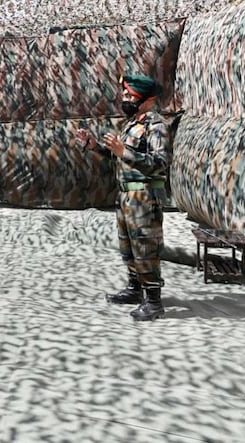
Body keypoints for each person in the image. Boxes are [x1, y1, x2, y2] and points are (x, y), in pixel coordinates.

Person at [75, 73, 170, 322]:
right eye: (124, 94)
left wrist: (124, 150)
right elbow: (120, 157)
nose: (124, 98)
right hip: (127, 196)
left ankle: (154, 301)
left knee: (145, 248)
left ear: (145, 98)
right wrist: (95, 146)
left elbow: (159, 164)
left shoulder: (156, 125)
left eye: (129, 95)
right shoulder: (132, 124)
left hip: (144, 197)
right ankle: (135, 288)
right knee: (128, 248)